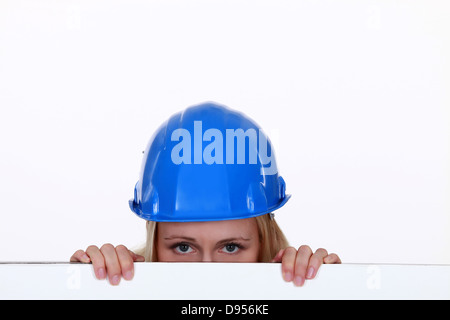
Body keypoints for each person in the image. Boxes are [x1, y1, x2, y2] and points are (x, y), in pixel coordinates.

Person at [70, 102, 341, 286]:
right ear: (154, 242)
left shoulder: (297, 291)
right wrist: (92, 289)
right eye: (183, 247)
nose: (207, 273)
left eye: (231, 247)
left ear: (263, 241)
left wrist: (326, 293)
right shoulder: (122, 290)